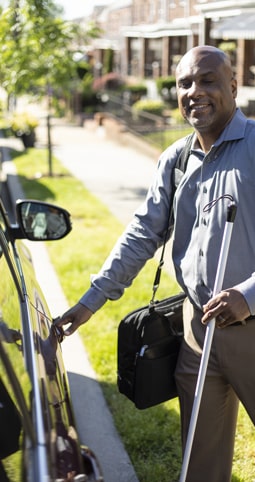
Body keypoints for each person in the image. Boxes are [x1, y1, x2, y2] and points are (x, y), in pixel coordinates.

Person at [55, 45, 255, 482]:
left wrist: (248, 294)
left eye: (206, 80)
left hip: (252, 325)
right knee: (200, 461)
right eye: (185, 83)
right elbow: (142, 235)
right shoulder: (176, 158)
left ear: (233, 86)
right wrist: (89, 302)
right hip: (198, 327)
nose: (193, 91)